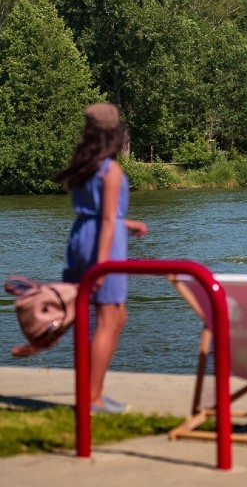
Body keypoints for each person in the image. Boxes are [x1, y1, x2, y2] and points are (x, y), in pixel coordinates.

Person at [54, 102, 148, 414]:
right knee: (109, 319)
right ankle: (91, 399)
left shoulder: (85, 167)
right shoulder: (111, 170)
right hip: (102, 246)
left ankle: (93, 392)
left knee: (106, 318)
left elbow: (97, 214)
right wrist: (103, 265)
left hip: (81, 238)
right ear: (116, 134)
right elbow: (106, 221)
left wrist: (126, 222)